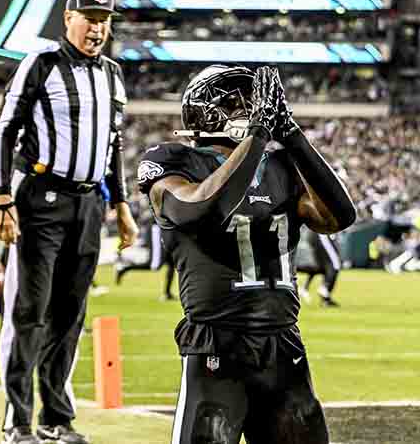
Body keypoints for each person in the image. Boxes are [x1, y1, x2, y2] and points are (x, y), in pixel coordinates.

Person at [137, 65, 356, 444]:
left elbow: (339, 216)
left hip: (283, 346)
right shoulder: (174, 162)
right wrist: (256, 136)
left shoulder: (281, 165)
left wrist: (292, 134)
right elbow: (201, 208)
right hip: (217, 346)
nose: (251, 107)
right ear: (204, 110)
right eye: (236, 100)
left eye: (253, 100)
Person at [0, 0, 138, 444]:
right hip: (39, 198)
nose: (97, 28)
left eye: (105, 20)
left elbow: (112, 146)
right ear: (68, 19)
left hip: (89, 204)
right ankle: (17, 420)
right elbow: (4, 131)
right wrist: (1, 197)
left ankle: (56, 417)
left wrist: (122, 204)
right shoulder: (41, 63)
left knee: (70, 314)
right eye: (89, 18)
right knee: (28, 313)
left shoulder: (113, 74)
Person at [298, 228, 344, 307]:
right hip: (322, 233)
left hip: (317, 233)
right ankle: (325, 289)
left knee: (322, 267)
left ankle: (306, 289)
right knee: (335, 264)